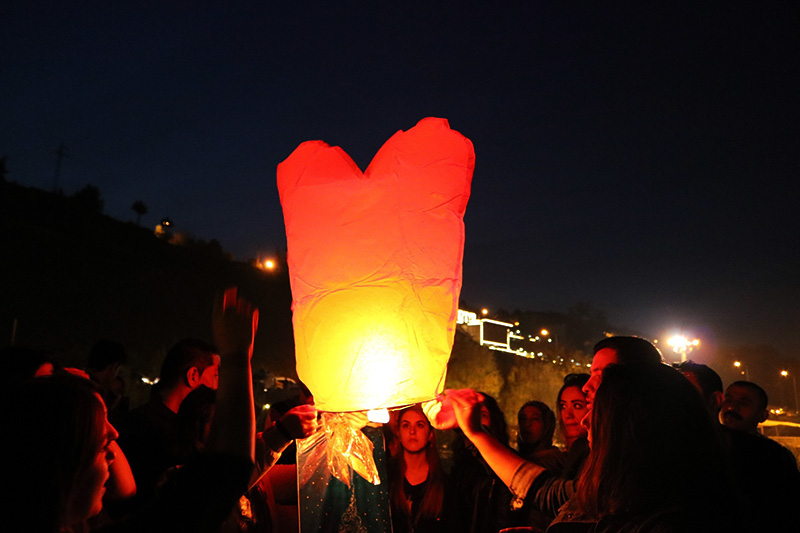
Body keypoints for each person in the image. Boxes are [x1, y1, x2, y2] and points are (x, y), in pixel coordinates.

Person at [3, 287, 258, 533]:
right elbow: (217, 481)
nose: (114, 435)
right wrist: (236, 355)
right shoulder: (151, 430)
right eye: (101, 443)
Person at [117, 338, 221, 507]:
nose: (217, 387)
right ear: (193, 375)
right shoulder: (151, 431)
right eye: (215, 376)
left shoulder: (138, 420)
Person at [389, 405, 460, 533]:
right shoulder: (386, 476)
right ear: (399, 433)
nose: (412, 431)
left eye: (420, 425)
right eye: (406, 425)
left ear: (430, 435)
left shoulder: (447, 481)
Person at [555, 373, 590, 481]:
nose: (567, 414)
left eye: (577, 406)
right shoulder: (557, 459)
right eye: (563, 406)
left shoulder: (593, 458)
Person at [516, 401, 561, 475]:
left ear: (546, 425)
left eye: (535, 419)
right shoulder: (513, 458)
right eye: (523, 419)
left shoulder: (555, 461)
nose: (527, 424)